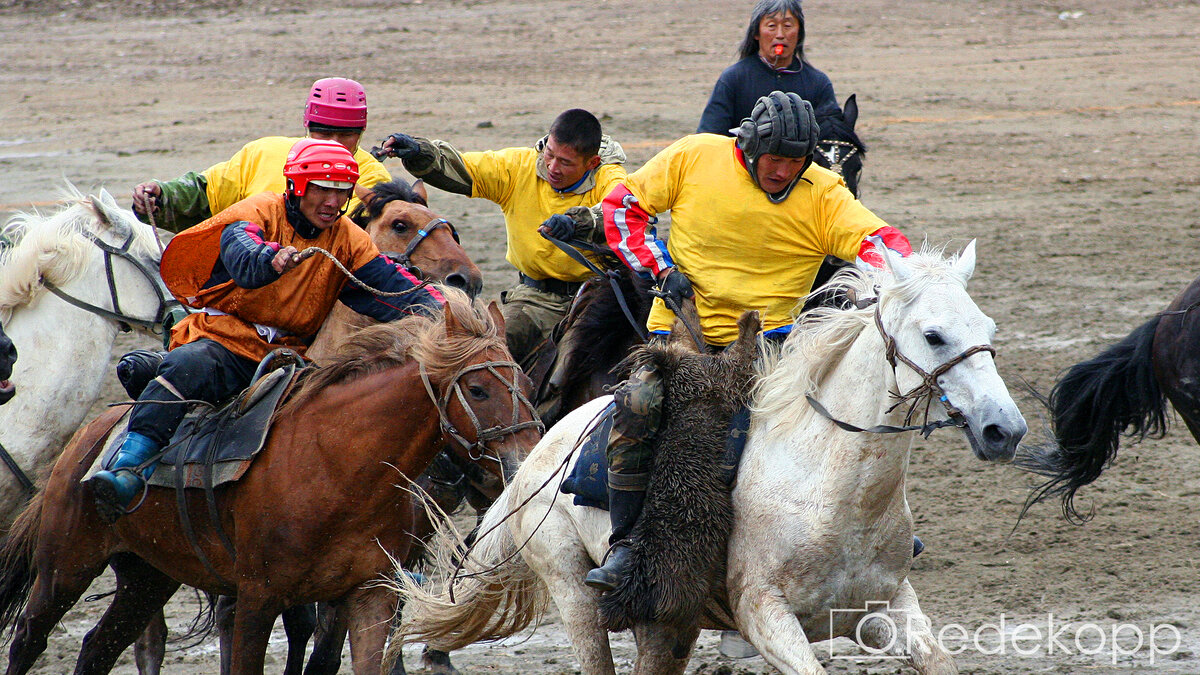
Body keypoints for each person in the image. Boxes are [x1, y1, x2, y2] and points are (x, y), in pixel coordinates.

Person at [546, 91, 912, 590]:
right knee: (637, 407)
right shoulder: (695, 155)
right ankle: (626, 544)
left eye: (796, 162)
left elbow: (878, 239)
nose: (784, 171)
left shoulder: (824, 192)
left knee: (848, 414)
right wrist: (661, 268)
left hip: (773, 350)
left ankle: (872, 529)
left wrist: (911, 274)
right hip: (680, 335)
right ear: (751, 146)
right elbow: (621, 206)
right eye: (776, 159)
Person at [89, 139, 444, 522]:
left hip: (292, 358)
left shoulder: (349, 240)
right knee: (189, 366)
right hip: (226, 340)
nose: (331, 200)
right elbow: (242, 252)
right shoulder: (258, 211)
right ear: (297, 186)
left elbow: (390, 288)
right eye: (322, 188)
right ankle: (129, 467)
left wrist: (444, 311)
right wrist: (269, 259)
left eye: (340, 191)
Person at [376, 109, 627, 365]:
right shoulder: (519, 166)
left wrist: (578, 222)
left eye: (565, 162)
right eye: (549, 154)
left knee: (590, 362)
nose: (552, 167)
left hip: (599, 295)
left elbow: (619, 209)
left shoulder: (609, 177)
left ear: (592, 163)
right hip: (534, 299)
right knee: (487, 353)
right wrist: (421, 153)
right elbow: (465, 168)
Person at [130, 77, 392, 233]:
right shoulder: (263, 153)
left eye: (346, 134)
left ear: (361, 132)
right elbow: (206, 193)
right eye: (324, 133)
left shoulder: (372, 177)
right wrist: (161, 197)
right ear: (308, 127)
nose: (334, 143)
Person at [697, 0, 842, 136]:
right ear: (756, 33)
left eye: (787, 26)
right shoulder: (734, 79)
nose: (780, 35)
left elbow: (832, 137)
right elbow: (709, 136)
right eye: (771, 26)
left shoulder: (817, 83)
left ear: (799, 34)